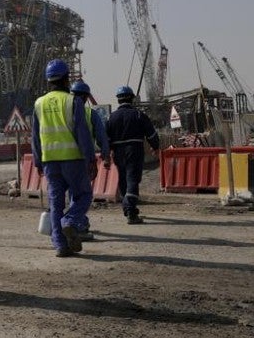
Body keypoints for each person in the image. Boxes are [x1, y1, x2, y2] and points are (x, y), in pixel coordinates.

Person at [30, 60, 96, 257]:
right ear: (67, 78)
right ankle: (71, 221)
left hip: (50, 161)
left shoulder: (38, 104)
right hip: (73, 159)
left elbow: (35, 136)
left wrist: (37, 161)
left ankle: (60, 245)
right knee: (83, 195)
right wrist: (90, 158)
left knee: (55, 203)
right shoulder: (73, 101)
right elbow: (82, 133)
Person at [105, 85, 160, 224]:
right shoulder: (138, 115)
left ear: (118, 100)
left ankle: (128, 207)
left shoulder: (111, 117)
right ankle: (130, 210)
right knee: (132, 179)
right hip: (134, 150)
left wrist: (108, 152)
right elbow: (151, 133)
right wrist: (155, 147)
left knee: (123, 179)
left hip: (118, 152)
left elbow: (105, 138)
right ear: (132, 98)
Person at [70, 80, 111, 240]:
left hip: (63, 160)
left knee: (72, 194)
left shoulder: (63, 112)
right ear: (87, 97)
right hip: (83, 159)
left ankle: (79, 222)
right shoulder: (90, 113)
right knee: (83, 194)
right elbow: (101, 137)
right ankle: (77, 225)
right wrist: (105, 155)